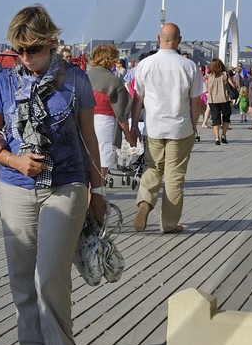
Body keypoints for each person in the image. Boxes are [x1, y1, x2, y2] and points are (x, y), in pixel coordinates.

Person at [0, 5, 107, 345]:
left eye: (32, 49)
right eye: (19, 50)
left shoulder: (76, 81)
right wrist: (15, 160)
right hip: (16, 187)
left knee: (49, 277)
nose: (25, 58)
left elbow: (89, 139)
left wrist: (98, 190)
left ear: (51, 42)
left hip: (66, 186)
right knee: (21, 279)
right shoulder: (3, 82)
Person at [130, 24, 205, 235]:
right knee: (174, 176)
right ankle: (170, 223)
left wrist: (135, 125)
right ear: (179, 40)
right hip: (180, 128)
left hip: (154, 127)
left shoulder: (145, 64)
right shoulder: (189, 66)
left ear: (158, 38)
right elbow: (196, 102)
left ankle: (145, 201)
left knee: (152, 168)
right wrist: (193, 124)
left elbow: (138, 99)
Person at [85, 43, 136, 174]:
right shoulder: (114, 81)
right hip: (105, 123)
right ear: (111, 60)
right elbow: (121, 115)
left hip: (84, 121)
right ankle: (98, 190)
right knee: (103, 160)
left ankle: (89, 191)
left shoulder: (84, 76)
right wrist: (129, 137)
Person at [203, 58, 239, 145]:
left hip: (212, 100)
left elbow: (207, 88)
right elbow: (233, 85)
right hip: (224, 99)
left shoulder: (208, 76)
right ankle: (224, 135)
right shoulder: (225, 74)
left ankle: (216, 138)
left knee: (215, 119)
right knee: (226, 117)